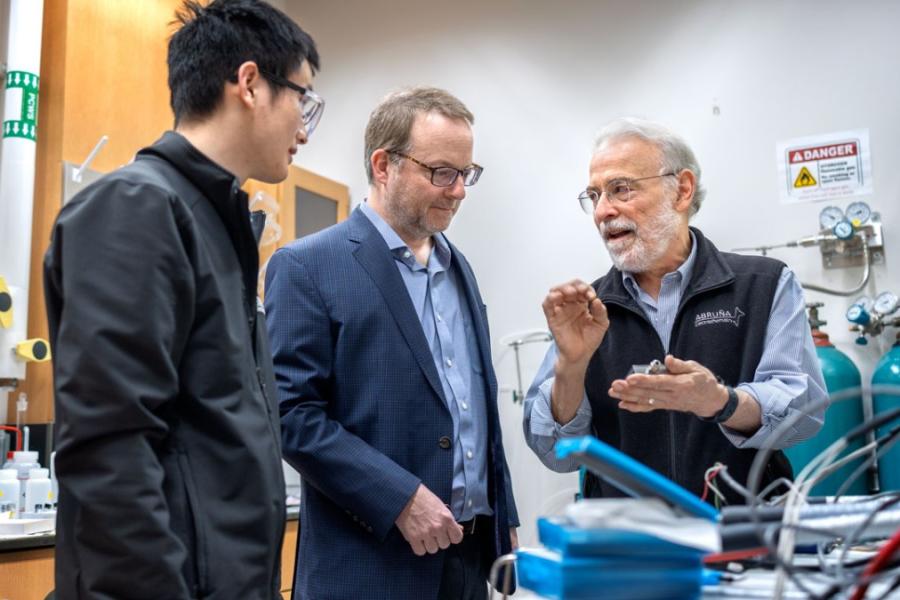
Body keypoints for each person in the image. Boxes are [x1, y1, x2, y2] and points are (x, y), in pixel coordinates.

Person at [43, 1, 322, 597]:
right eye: (304, 99)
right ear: (249, 83)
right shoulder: (136, 208)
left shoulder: (217, 224)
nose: (304, 129)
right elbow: (110, 449)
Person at [265, 86, 518, 600]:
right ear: (384, 165)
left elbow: (473, 411)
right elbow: (291, 416)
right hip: (369, 566)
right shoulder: (307, 267)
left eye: (466, 174)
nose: (459, 190)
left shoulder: (458, 268)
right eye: (441, 172)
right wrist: (401, 498)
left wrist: (501, 516)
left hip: (467, 563)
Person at [523, 117, 828, 503]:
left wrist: (720, 402)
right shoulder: (586, 310)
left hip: (743, 534)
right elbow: (554, 453)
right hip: (630, 543)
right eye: (595, 195)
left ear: (682, 190)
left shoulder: (763, 285)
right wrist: (570, 365)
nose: (603, 211)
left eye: (620, 189)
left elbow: (803, 413)